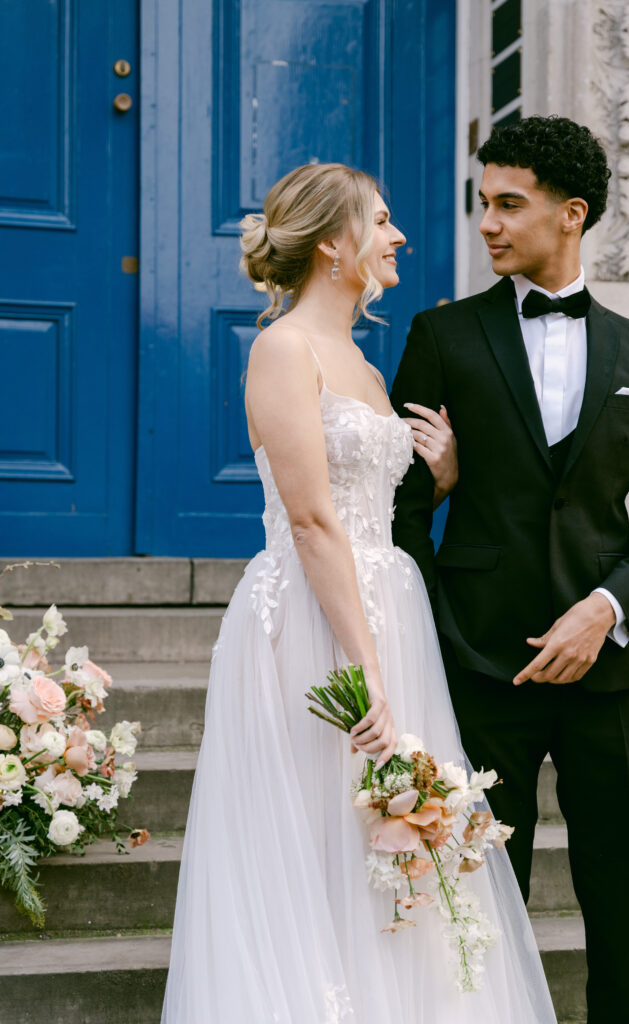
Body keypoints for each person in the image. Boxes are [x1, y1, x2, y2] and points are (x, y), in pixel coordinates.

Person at [161, 163, 556, 1023]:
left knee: (387, 828)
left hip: (389, 610)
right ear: (335, 241)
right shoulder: (281, 349)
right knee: (313, 831)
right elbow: (310, 519)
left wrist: (442, 479)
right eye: (381, 221)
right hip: (311, 620)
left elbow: (370, 501)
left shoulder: (370, 372)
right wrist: (365, 665)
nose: (398, 236)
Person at [391, 117, 629, 1024]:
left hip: (614, 672)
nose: (486, 223)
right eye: (481, 203)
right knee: (478, 917)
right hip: (483, 667)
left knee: (625, 914)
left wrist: (606, 609)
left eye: (507, 205)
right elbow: (402, 508)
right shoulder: (441, 335)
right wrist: (440, 636)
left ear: (570, 215)